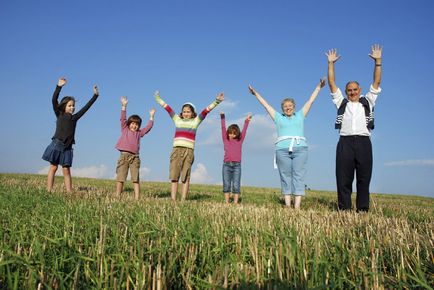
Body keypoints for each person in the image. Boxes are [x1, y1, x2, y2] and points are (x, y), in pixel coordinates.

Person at [249, 78, 326, 209]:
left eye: (290, 106)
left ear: (294, 107)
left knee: (298, 175)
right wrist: (256, 94)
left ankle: (297, 206)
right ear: (282, 109)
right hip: (282, 150)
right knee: (285, 176)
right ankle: (287, 205)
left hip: (300, 148)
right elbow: (266, 105)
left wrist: (319, 87)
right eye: (285, 106)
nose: (288, 108)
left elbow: (310, 101)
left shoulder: (300, 115)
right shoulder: (278, 117)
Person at [326, 44, 382, 212]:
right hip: (345, 142)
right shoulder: (341, 102)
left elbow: (377, 81)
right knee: (343, 178)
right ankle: (344, 209)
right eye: (349, 90)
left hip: (364, 142)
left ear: (360, 90)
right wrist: (331, 64)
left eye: (355, 90)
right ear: (346, 91)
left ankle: (363, 209)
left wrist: (378, 61)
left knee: (364, 178)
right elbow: (331, 83)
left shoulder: (368, 100)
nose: (352, 92)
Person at [155, 90, 224, 201]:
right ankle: (172, 199)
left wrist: (216, 101)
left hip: (188, 151)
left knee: (185, 176)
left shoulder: (196, 121)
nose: (186, 113)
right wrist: (158, 99)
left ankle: (183, 199)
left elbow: (206, 111)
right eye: (184, 111)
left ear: (193, 113)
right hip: (176, 150)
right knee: (174, 175)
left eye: (188, 111)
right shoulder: (177, 120)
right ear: (181, 113)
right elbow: (168, 108)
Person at [42, 77, 99, 193]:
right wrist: (59, 87)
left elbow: (86, 108)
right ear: (64, 106)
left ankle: (69, 192)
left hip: (68, 148)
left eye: (73, 105)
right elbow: (54, 100)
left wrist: (95, 96)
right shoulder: (59, 114)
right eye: (70, 105)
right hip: (56, 144)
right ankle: (49, 190)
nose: (72, 107)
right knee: (53, 168)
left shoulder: (75, 118)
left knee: (66, 170)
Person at [115, 96, 155, 200]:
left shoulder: (139, 133)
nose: (134, 126)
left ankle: (137, 197)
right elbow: (122, 118)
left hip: (135, 158)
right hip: (123, 156)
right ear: (129, 124)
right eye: (132, 123)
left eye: (137, 124)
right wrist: (124, 106)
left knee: (135, 178)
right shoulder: (125, 129)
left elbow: (148, 128)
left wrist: (151, 117)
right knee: (121, 177)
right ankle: (118, 195)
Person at [220, 112, 252, 204]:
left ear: (237, 134)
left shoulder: (240, 140)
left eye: (234, 134)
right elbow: (223, 128)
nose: (231, 135)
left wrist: (247, 121)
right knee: (226, 184)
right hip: (226, 165)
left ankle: (235, 203)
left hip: (237, 166)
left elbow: (244, 131)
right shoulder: (225, 139)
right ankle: (226, 202)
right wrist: (222, 117)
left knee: (236, 185)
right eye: (230, 133)